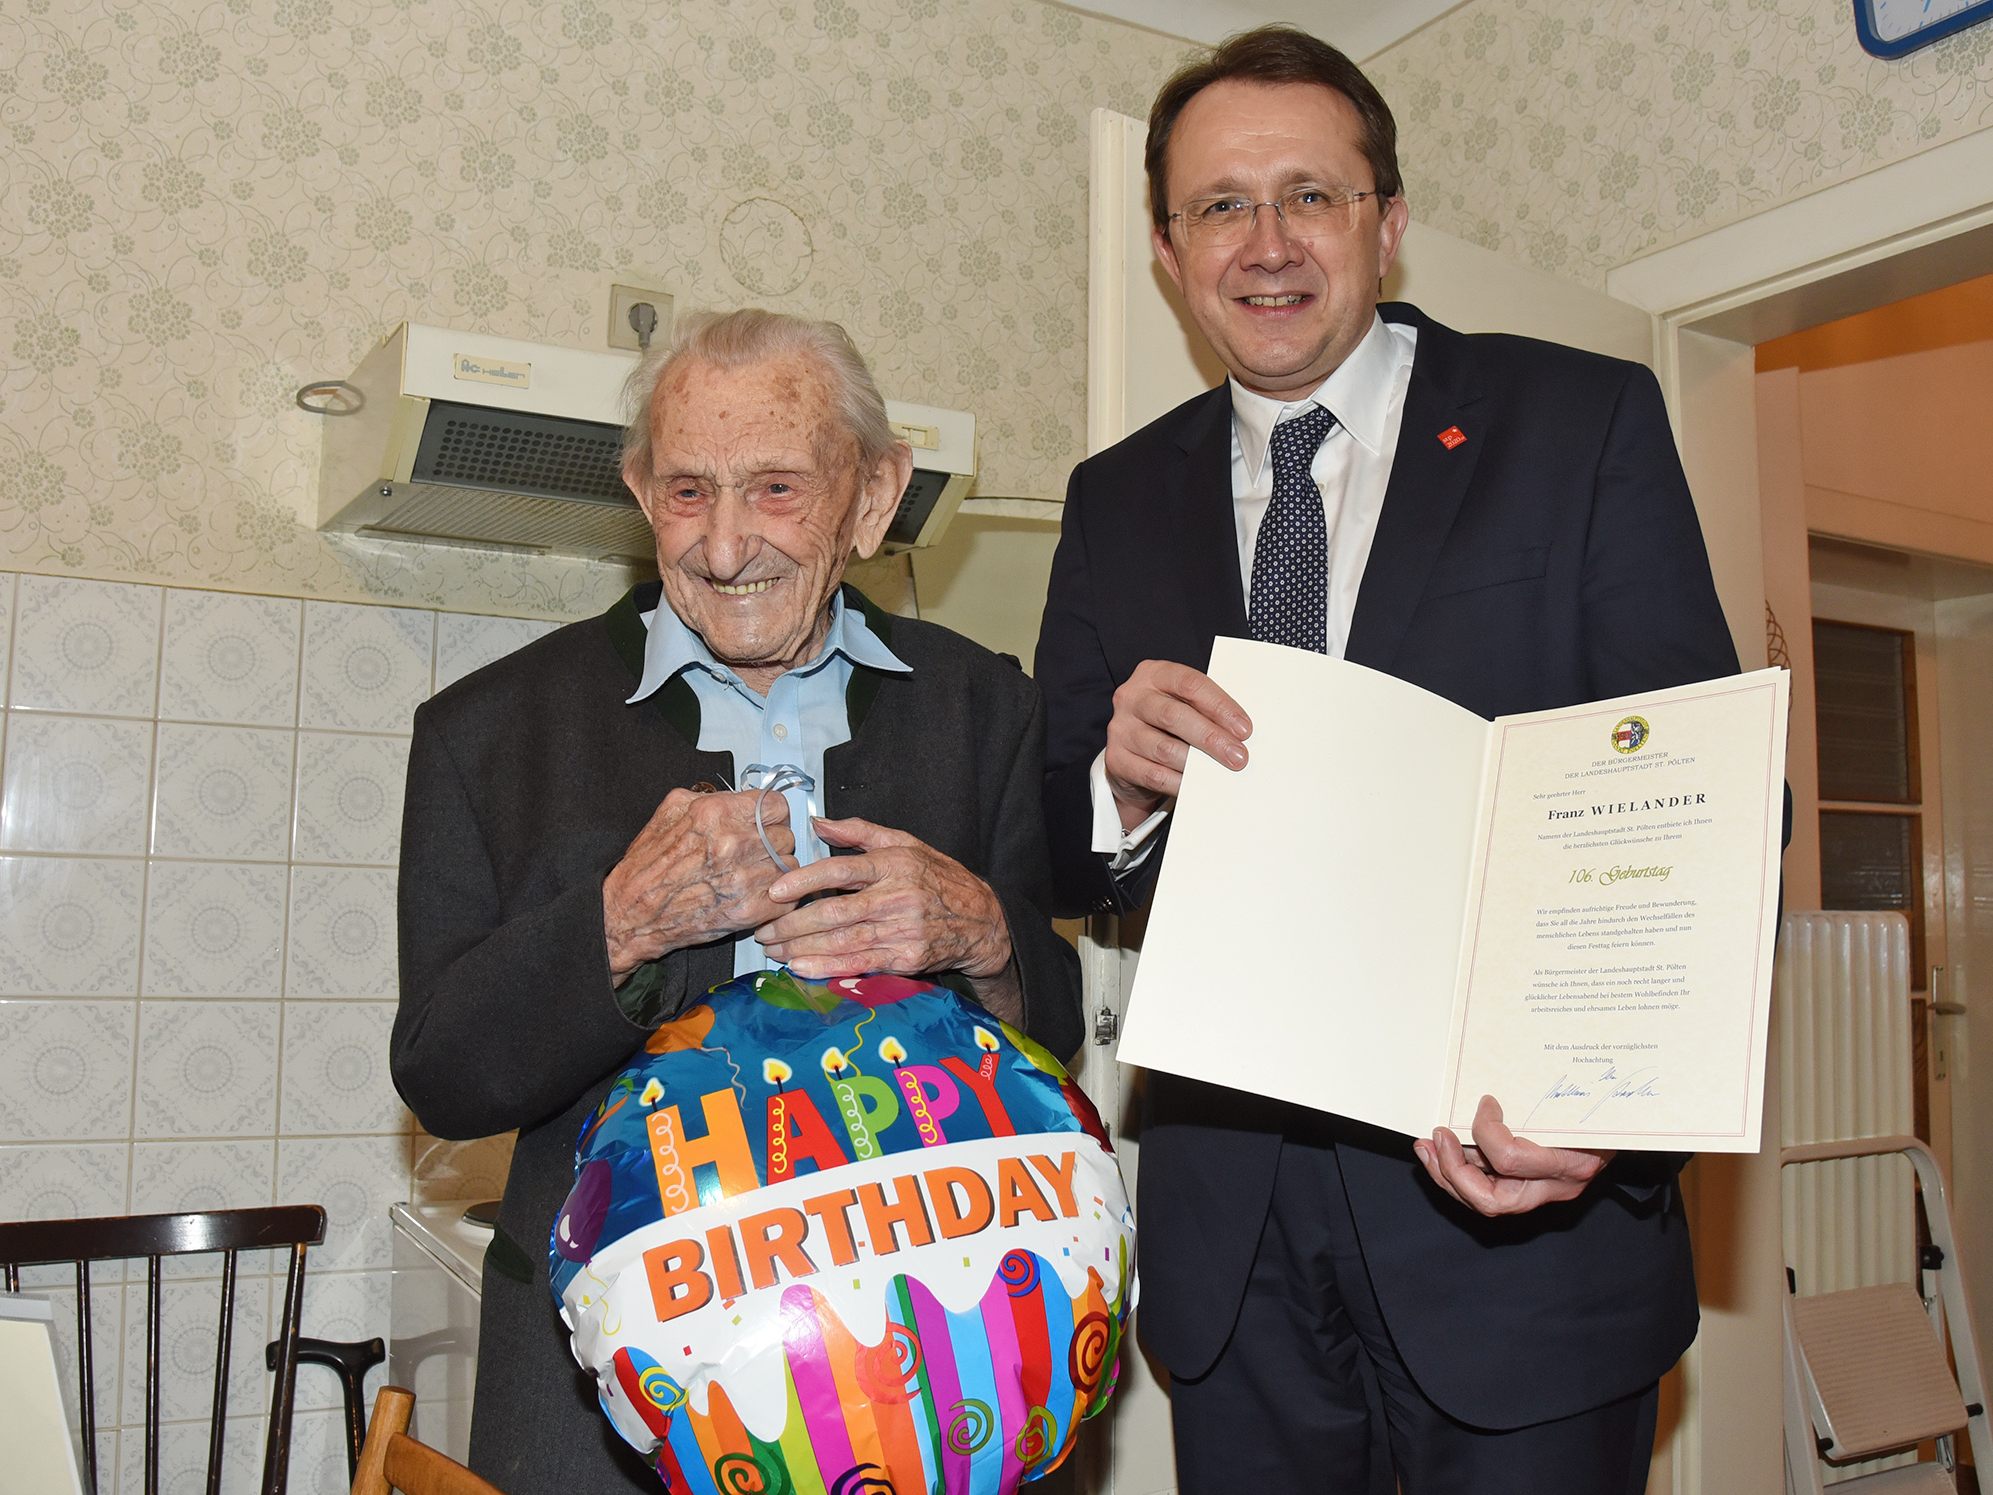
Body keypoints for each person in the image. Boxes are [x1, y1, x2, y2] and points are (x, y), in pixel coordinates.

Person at [1034, 26, 1743, 1494]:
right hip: (1235, 1247)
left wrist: (1607, 1111)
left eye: (1313, 194)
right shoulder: (1114, 498)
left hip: (1519, 1225)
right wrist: (1116, 778)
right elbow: (1053, 833)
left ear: (1389, 224)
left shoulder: (1577, 421)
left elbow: (1716, 806)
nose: (1268, 242)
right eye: (1220, 205)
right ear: (1168, 252)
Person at [394, 307, 1083, 1492]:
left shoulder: (984, 711)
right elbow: (443, 1075)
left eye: (775, 489)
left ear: (871, 498)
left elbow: (1053, 1029)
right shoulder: (488, 733)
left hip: (935, 1354)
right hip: (591, 1381)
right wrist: (624, 923)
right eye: (684, 493)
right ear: (636, 491)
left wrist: (983, 933)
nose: (723, 547)